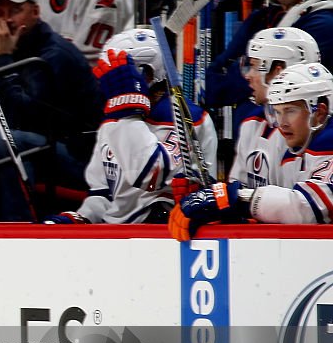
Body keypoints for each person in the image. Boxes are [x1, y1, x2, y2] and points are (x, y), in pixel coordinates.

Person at [45, 29, 216, 223]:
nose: (106, 81)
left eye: (119, 71)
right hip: (121, 239)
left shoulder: (187, 118)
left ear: (146, 73)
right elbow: (104, 196)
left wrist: (127, 109)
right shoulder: (112, 123)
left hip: (168, 235)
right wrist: (80, 218)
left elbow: (150, 177)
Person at [170, 62, 333, 238]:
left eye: (290, 111)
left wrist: (234, 199)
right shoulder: (297, 151)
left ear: (320, 112)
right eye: (277, 112)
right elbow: (281, 214)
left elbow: (308, 207)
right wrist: (212, 198)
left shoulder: (328, 144)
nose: (282, 123)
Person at [0, 0, 102, 220]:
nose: (7, 20)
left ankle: (20, 227)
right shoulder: (8, 45)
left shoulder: (54, 54)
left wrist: (3, 59)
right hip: (47, 144)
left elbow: (22, 115)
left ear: (36, 12)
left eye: (15, 11)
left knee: (7, 141)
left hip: (81, 156)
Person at [205, 0, 333, 117]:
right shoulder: (261, 17)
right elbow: (213, 85)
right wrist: (257, 70)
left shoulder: (324, 23)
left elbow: (277, 86)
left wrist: (241, 67)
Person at [229, 27, 318, 188]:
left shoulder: (314, 134)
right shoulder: (252, 123)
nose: (248, 76)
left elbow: (301, 207)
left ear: (279, 73)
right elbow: (235, 191)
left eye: (255, 66)